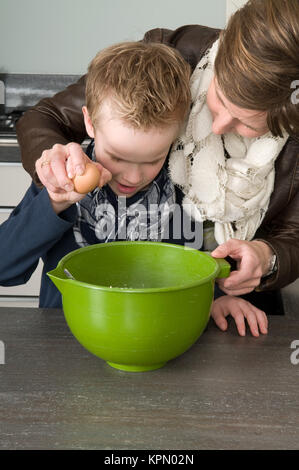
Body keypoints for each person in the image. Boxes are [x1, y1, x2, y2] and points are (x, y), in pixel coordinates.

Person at [16, 0, 299, 324]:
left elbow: (207, 250)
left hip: (224, 315)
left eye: (247, 124)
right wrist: (53, 175)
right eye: (219, 98)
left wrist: (265, 260)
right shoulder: (171, 57)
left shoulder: (188, 201)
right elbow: (46, 117)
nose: (217, 127)